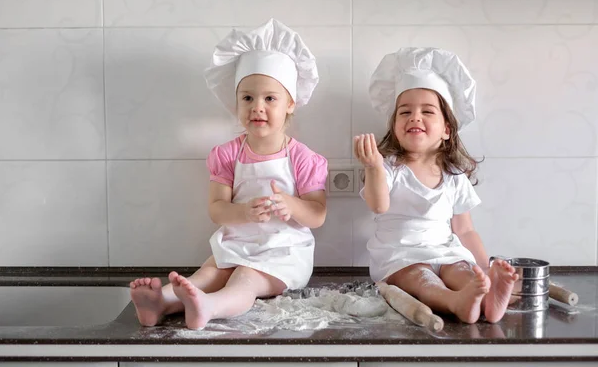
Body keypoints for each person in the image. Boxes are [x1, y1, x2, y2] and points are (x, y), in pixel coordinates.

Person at [130, 19, 328, 330]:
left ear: (290, 103)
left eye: (269, 98)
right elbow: (217, 209)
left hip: (283, 252)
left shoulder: (303, 158)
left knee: (245, 278)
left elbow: (317, 214)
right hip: (237, 243)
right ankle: (161, 302)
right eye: (247, 98)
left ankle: (210, 306)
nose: (257, 107)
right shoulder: (227, 154)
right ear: (236, 102)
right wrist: (244, 211)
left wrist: (292, 205)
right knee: (207, 274)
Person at [354, 47, 518, 324]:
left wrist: (484, 267)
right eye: (405, 112)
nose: (414, 117)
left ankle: (488, 298)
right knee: (421, 278)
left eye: (427, 111)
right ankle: (455, 301)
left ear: (446, 130)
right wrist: (372, 167)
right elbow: (378, 205)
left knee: (462, 271)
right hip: (400, 255)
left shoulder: (454, 175)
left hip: (445, 250)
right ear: (394, 125)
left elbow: (464, 229)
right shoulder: (389, 167)